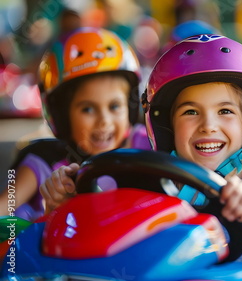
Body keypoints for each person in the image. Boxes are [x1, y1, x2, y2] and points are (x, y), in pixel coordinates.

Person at [40, 34, 242, 271]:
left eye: (225, 111)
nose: (208, 125)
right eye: (190, 112)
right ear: (167, 127)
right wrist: (63, 207)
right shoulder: (151, 186)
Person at [0, 27, 149, 221]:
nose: (104, 120)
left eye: (114, 106)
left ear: (131, 106)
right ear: (62, 116)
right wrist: (52, 211)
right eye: (88, 109)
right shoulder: (44, 164)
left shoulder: (148, 145)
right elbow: (6, 207)